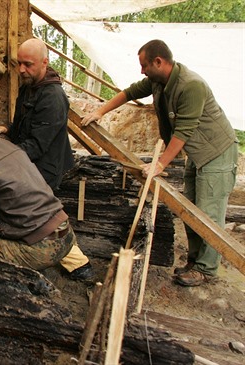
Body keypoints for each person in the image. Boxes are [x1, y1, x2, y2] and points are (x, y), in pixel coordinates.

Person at [81, 39, 238, 287]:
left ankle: (206, 269)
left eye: (144, 65)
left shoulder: (191, 85)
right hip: (197, 154)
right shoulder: (158, 80)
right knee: (192, 210)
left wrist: (160, 164)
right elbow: (130, 92)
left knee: (208, 213)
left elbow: (184, 131)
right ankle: (195, 262)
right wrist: (101, 111)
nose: (142, 70)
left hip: (216, 152)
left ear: (159, 61)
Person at [0, 112, 94, 281]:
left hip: (40, 249)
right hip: (65, 231)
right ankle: (81, 267)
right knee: (44, 223)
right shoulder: (8, 145)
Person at [0, 37, 74, 194]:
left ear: (44, 62)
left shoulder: (52, 98)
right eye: (19, 63)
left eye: (28, 64)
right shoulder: (28, 86)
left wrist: (2, 157)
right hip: (28, 163)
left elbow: (37, 145)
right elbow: (22, 125)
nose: (22, 70)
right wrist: (8, 131)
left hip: (44, 172)